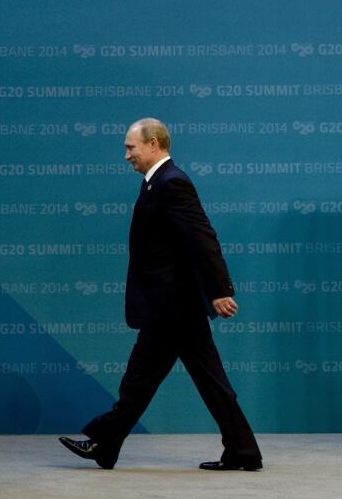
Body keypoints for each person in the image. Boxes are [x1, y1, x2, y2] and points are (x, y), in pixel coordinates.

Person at [59, 118, 263, 471]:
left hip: (174, 307)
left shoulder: (173, 183)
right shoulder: (155, 184)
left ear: (154, 144)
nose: (126, 155)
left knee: (145, 380)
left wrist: (218, 291)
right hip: (169, 305)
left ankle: (105, 443)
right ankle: (242, 450)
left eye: (130, 147)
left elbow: (202, 237)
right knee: (182, 381)